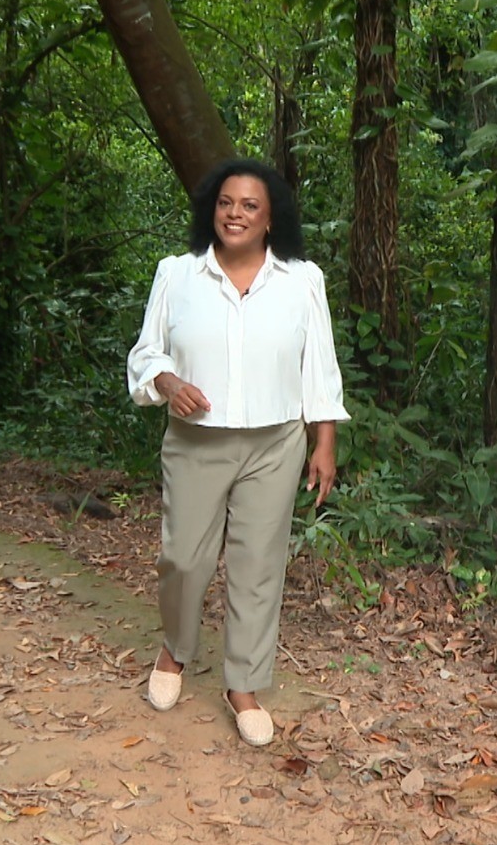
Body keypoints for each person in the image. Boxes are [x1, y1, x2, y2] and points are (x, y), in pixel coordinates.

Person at [126, 158, 348, 746]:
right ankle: (174, 651)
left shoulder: (302, 280)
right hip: (198, 440)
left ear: (271, 218)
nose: (235, 214)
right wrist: (168, 383)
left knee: (258, 566)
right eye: (226, 203)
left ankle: (243, 684)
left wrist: (323, 442)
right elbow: (146, 353)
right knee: (184, 559)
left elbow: (318, 368)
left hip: (276, 443)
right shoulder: (178, 274)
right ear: (212, 210)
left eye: (250, 205)